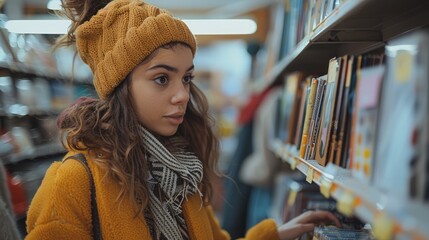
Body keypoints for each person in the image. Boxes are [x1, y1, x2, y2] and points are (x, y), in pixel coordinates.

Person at [25, 0, 341, 239]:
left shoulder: (181, 171)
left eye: (186, 79)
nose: (182, 95)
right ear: (121, 86)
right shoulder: (73, 181)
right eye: (162, 79)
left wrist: (279, 233)